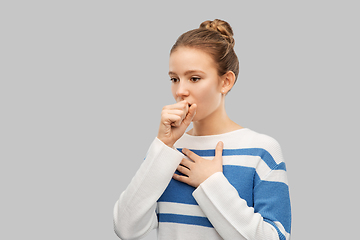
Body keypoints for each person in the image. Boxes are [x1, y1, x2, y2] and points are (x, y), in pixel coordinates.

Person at [113, 19, 291, 240]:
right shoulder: (167, 151)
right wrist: (162, 144)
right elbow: (126, 229)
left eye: (194, 78)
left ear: (225, 82)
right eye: (174, 79)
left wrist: (211, 183)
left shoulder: (261, 150)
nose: (180, 91)